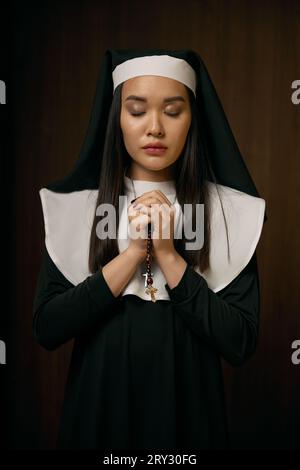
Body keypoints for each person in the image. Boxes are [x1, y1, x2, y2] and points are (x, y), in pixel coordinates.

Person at [32, 49, 267, 450]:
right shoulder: (82, 207)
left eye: (173, 111)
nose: (154, 128)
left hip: (190, 421)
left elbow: (240, 342)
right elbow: (48, 328)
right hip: (97, 416)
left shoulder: (228, 213)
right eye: (137, 110)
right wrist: (131, 254)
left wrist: (170, 256)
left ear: (193, 119)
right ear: (117, 119)